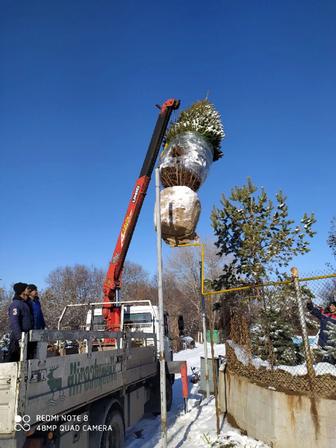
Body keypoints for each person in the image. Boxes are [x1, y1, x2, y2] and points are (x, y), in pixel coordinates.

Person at [7, 282, 33, 362]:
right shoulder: (16, 304)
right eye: (27, 288)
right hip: (18, 339)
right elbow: (14, 322)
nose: (29, 290)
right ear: (22, 291)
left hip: (28, 336)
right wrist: (19, 338)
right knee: (15, 361)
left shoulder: (26, 303)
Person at [307, 299, 336, 363]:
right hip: (322, 341)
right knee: (320, 362)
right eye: (331, 305)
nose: (332, 307)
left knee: (331, 362)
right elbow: (314, 311)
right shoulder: (324, 314)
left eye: (334, 306)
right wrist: (309, 305)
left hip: (332, 344)